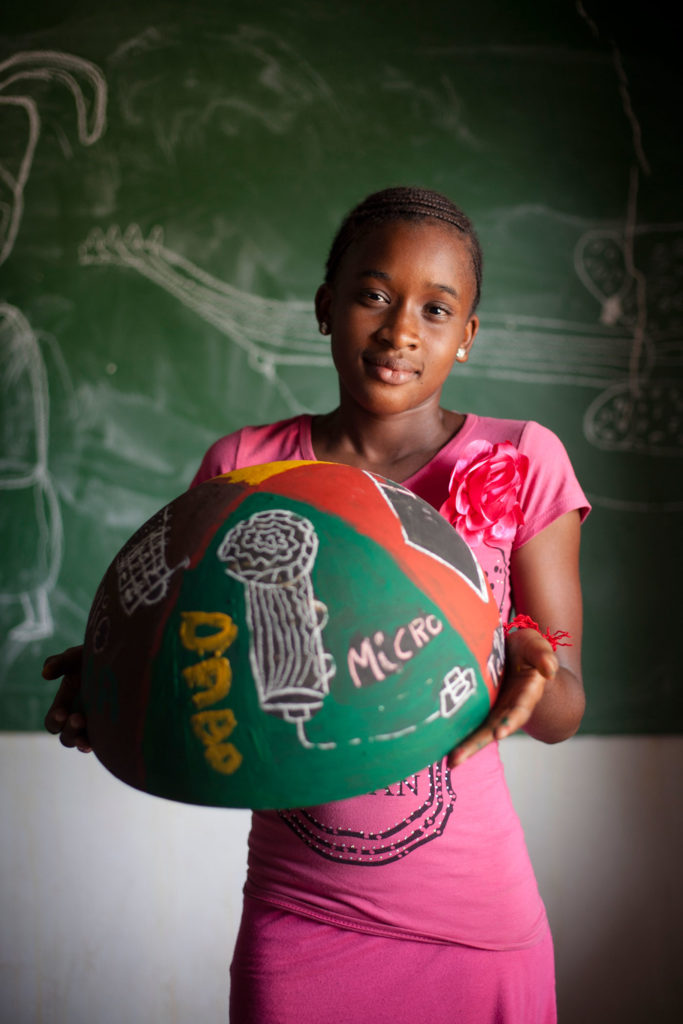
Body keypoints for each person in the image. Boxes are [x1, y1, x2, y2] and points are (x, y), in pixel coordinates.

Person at [44, 186, 589, 1023]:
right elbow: (200, 659)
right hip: (301, 917)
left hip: (476, 922)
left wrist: (520, 663)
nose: (401, 328)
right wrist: (120, 673)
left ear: (467, 337)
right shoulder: (245, 464)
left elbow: (562, 710)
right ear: (324, 307)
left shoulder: (522, 457)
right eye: (373, 294)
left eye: (436, 309)